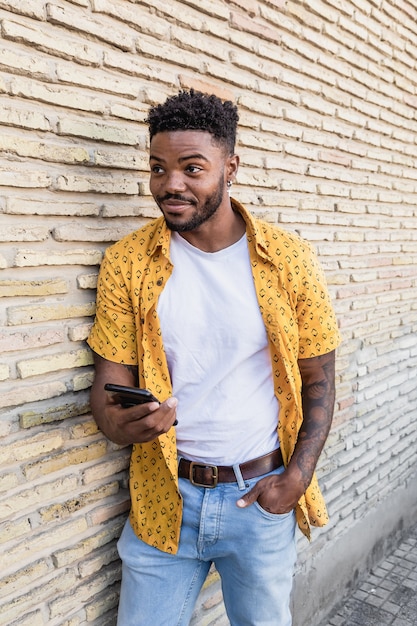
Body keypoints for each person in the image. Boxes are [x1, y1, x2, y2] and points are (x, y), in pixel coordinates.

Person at [87, 89, 341, 626]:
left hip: (260, 496)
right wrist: (124, 424)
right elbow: (108, 387)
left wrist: (297, 476)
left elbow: (318, 374)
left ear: (231, 167)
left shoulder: (288, 260)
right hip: (164, 500)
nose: (170, 184)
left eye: (191, 168)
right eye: (157, 168)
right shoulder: (129, 262)